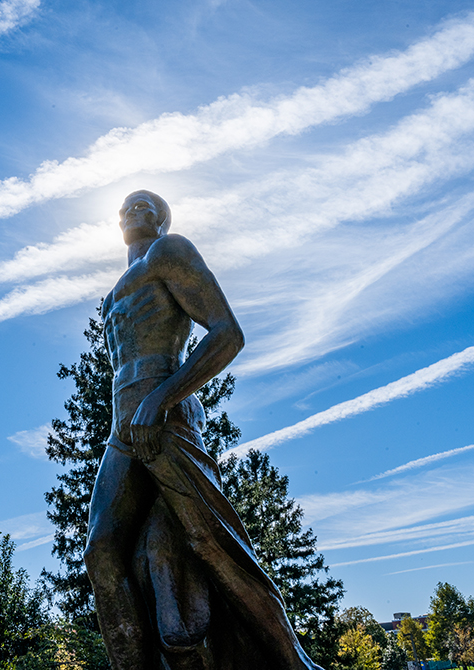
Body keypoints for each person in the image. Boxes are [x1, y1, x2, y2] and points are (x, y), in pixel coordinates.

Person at [84, 190, 322, 670]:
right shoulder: (112, 293)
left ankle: (294, 662)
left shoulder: (168, 253)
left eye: (144, 205)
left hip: (163, 413)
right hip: (122, 423)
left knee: (212, 544)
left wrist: (160, 398)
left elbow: (227, 333)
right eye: (126, 207)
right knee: (102, 551)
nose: (133, 211)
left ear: (163, 219)